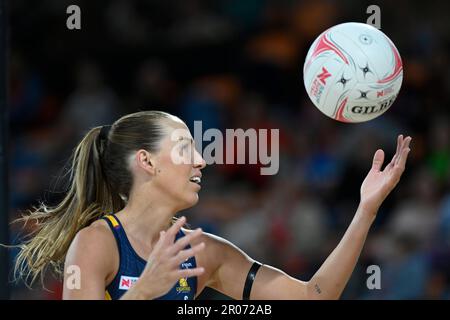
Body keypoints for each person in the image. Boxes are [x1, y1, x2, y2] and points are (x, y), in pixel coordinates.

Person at [14, 110, 412, 300]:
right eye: (186, 148)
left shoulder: (204, 253)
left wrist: (366, 211)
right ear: (147, 161)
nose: (201, 160)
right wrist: (144, 291)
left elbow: (314, 297)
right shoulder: (97, 243)